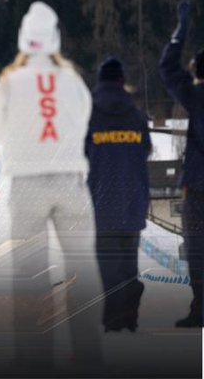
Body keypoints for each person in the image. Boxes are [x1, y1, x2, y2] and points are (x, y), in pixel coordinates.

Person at [0, 2, 102, 373]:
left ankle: (34, 356)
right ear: (54, 39)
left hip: (27, 185)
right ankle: (87, 353)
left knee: (29, 273)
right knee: (82, 268)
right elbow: (83, 120)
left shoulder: (8, 82)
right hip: (71, 181)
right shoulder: (72, 81)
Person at [85, 56, 152, 332]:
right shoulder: (136, 114)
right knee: (128, 262)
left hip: (102, 200)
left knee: (107, 264)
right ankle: (129, 313)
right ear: (122, 81)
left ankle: (115, 319)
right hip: (132, 198)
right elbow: (146, 149)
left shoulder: (89, 113)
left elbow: (79, 153)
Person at [159, 0, 204, 327]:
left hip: (198, 188)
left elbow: (168, 68)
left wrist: (180, 31)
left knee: (198, 249)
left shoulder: (196, 96)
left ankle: (201, 307)